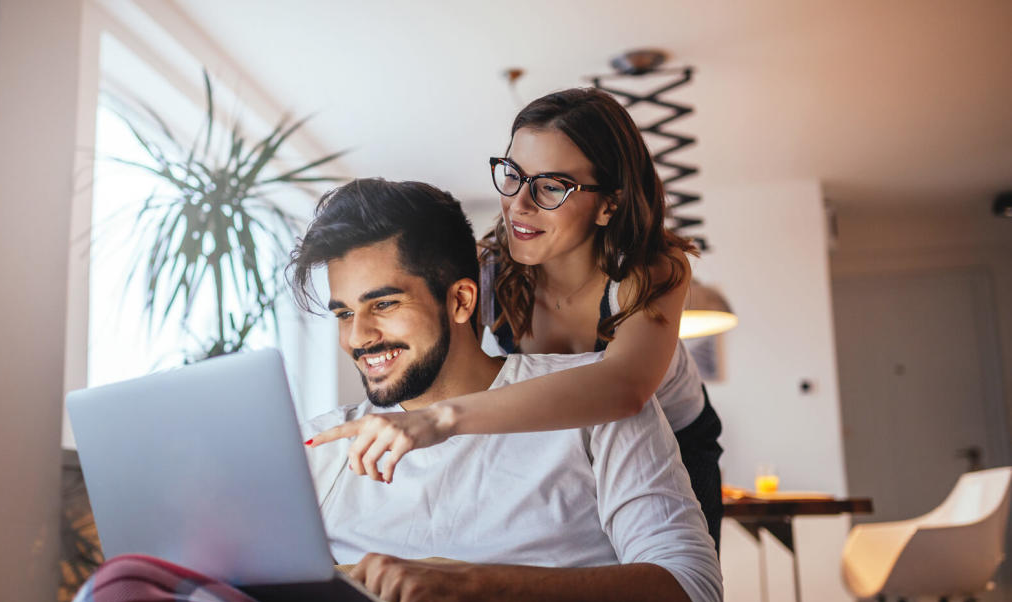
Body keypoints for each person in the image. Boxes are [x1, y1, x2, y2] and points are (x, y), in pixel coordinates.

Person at [61, 179, 722, 602]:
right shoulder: (318, 444)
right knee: (113, 599)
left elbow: (689, 600)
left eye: (381, 305)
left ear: (461, 301)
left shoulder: (592, 397)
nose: (357, 337)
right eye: (345, 313)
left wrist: (467, 586)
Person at [308, 88, 724, 549]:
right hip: (572, 433)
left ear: (609, 204)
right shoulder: (492, 269)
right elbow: (459, 358)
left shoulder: (649, 269)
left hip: (678, 440)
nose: (518, 205)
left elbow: (623, 389)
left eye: (550, 186)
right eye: (513, 175)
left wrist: (439, 420)